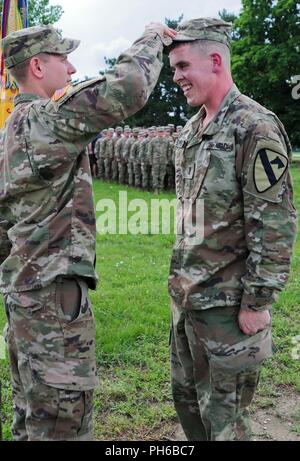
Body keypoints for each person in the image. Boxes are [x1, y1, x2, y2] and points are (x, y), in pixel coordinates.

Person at [0, 22, 176, 441]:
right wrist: (152, 36)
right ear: (38, 66)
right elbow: (127, 87)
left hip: (23, 298)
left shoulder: (10, 131)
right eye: (64, 58)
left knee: (31, 416)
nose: (73, 66)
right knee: (64, 422)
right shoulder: (46, 121)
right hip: (53, 300)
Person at [166, 18, 297, 441]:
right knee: (188, 403)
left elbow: (274, 222)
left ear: (216, 60)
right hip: (188, 301)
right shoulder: (191, 131)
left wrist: (257, 302)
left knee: (225, 421)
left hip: (228, 309)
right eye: (172, 68)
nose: (176, 77)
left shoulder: (254, 126)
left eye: (183, 65)